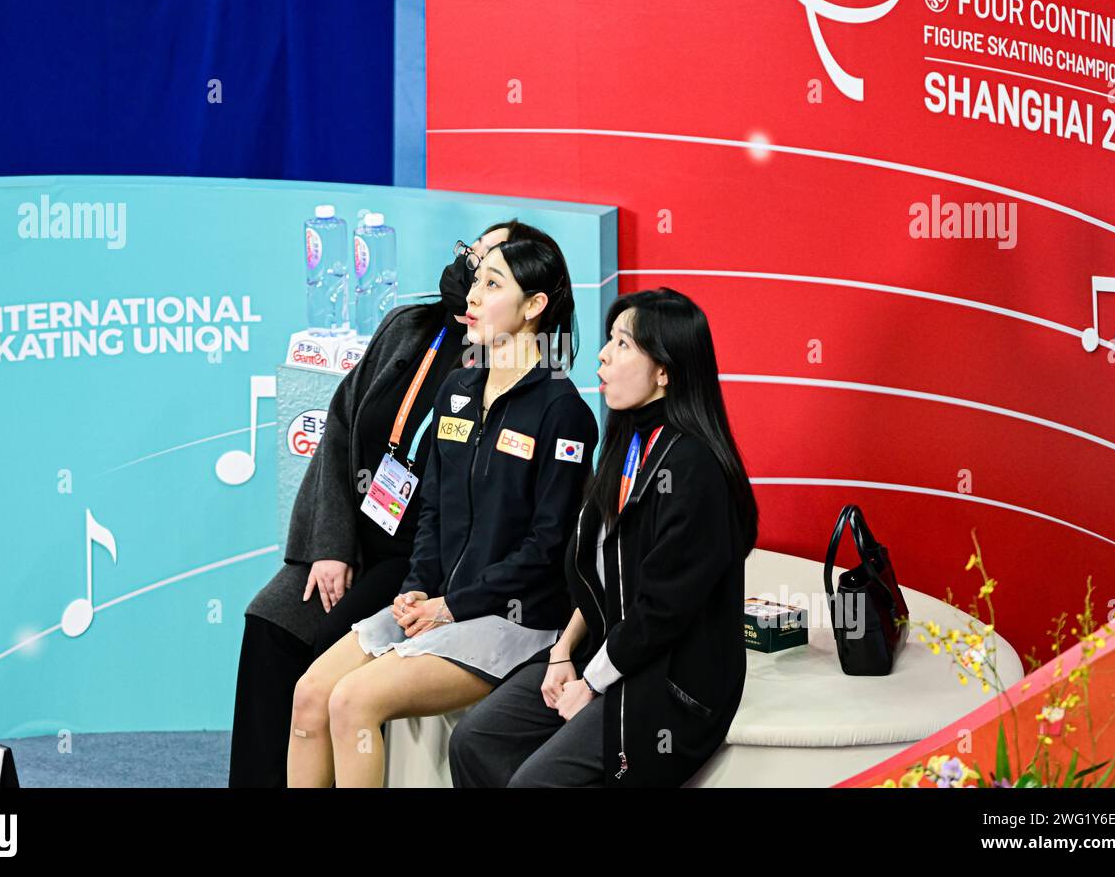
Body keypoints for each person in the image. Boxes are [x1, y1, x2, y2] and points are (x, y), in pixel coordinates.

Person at [285, 226, 598, 787]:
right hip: (440, 603)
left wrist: (452, 605)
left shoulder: (563, 412)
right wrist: (417, 587)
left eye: (493, 284)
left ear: (534, 306)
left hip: (512, 619)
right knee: (310, 694)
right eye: (476, 281)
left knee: (352, 701)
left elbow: (548, 547)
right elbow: (431, 509)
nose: (472, 296)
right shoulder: (456, 388)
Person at [227, 220, 527, 787]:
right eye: (473, 257)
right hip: (358, 534)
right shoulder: (410, 326)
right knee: (269, 622)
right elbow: (341, 427)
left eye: (493, 269)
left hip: (420, 558)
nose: (474, 276)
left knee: (325, 650)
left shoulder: (509, 364)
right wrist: (330, 545)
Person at [448, 287, 759, 787]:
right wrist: (563, 653)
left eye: (623, 344)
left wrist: (590, 682)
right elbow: (593, 579)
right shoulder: (626, 443)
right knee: (474, 738)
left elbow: (662, 612)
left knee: (537, 782)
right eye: (609, 340)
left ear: (665, 370)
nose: (603, 355)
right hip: (610, 654)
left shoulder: (694, 466)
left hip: (670, 680)